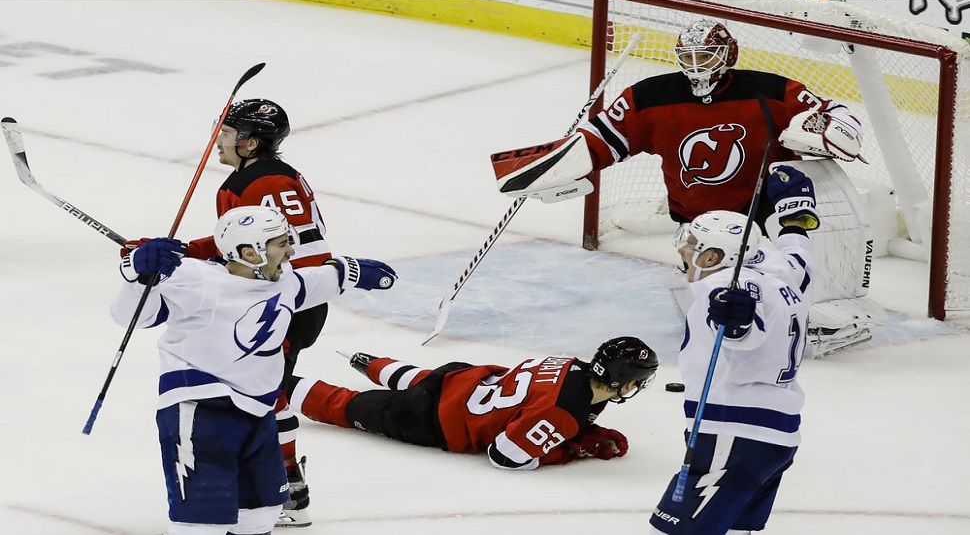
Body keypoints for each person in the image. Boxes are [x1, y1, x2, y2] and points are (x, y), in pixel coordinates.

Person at [490, 18, 874, 355]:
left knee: (799, 262)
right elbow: (601, 140)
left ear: (728, 55)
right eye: (688, 57)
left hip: (764, 202)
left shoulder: (772, 91)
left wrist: (836, 128)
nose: (696, 67)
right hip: (700, 218)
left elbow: (829, 111)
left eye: (705, 56)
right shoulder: (649, 97)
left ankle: (828, 314)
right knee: (710, 309)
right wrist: (549, 165)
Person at [111, 206, 396, 535]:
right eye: (280, 243)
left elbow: (315, 282)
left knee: (261, 514)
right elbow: (131, 316)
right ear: (250, 253)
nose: (290, 250)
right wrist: (136, 274)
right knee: (200, 524)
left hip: (257, 415)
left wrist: (349, 272)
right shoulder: (198, 279)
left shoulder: (285, 282)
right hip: (200, 411)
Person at [127, 99, 331, 526]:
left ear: (249, 141)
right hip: (288, 295)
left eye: (225, 132)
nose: (216, 139)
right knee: (260, 387)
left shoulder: (255, 185)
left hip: (282, 299)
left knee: (264, 393)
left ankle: (288, 491)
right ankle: (277, 487)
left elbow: (261, 255)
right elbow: (239, 248)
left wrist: (180, 264)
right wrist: (183, 250)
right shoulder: (267, 176)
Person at [649, 165, 817, 534]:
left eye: (692, 243)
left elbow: (742, 334)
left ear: (712, 258)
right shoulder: (780, 271)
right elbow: (800, 257)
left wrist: (736, 319)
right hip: (776, 435)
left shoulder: (723, 285)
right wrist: (793, 213)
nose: (682, 247)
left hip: (733, 429)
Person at [282, 337, 659, 469]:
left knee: (422, 378)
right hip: (432, 418)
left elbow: (536, 401)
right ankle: (273, 383)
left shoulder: (571, 365)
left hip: (460, 379)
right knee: (346, 405)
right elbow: (507, 456)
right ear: (623, 381)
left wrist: (583, 428)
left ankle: (368, 361)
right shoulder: (563, 413)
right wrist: (573, 448)